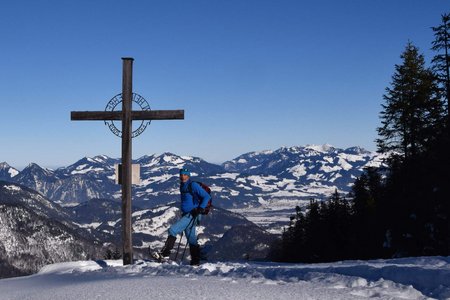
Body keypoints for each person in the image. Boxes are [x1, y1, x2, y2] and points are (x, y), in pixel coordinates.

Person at [154, 167, 211, 265]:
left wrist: (200, 208)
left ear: (188, 175)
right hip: (187, 214)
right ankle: (195, 261)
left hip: (192, 214)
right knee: (191, 239)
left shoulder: (192, 185)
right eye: (181, 174)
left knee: (172, 230)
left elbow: (207, 196)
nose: (182, 176)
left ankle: (165, 254)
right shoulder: (182, 185)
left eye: (185, 174)